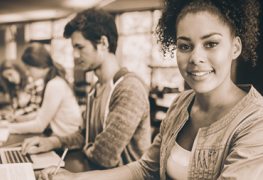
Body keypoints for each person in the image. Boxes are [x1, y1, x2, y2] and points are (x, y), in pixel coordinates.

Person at [38, 0, 263, 179]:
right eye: (185, 46)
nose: (195, 57)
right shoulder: (181, 103)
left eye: (211, 43)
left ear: (235, 47)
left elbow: (105, 155)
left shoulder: (255, 121)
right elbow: (145, 169)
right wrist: (75, 178)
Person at [22, 8, 151, 171]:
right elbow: (85, 136)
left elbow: (105, 157)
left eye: (80, 47)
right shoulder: (96, 89)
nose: (75, 55)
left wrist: (89, 147)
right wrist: (52, 142)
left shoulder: (128, 88)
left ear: (103, 43)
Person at [6, 42, 82, 136]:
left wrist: (6, 128)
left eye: (29, 68)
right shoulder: (54, 81)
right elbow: (44, 113)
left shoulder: (55, 84)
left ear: (40, 65)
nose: (27, 73)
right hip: (62, 136)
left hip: (67, 141)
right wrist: (23, 119)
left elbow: (39, 126)